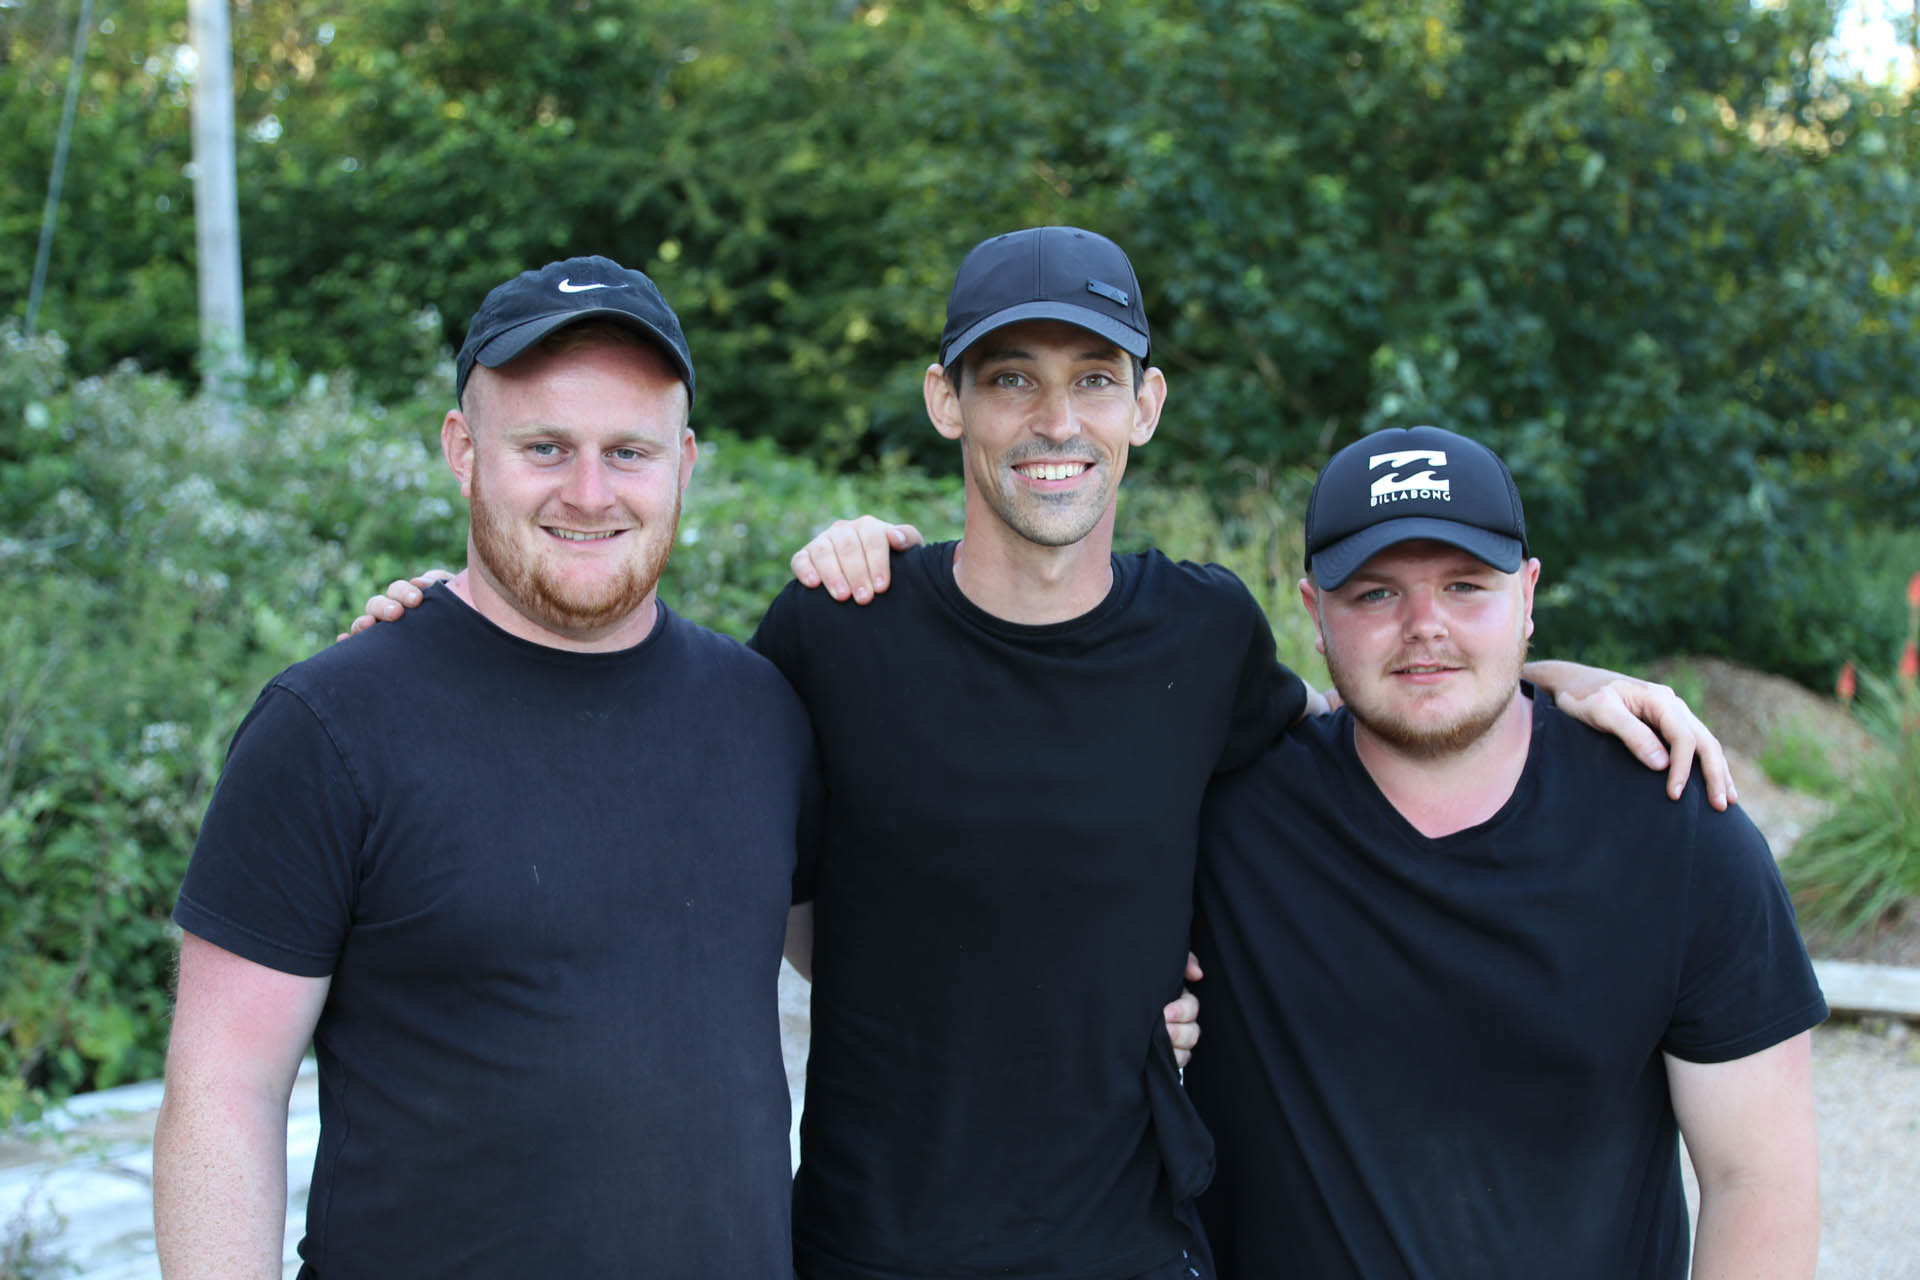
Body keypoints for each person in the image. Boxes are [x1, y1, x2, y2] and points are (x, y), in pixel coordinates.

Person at [352, 228, 1732, 1280]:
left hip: (1125, 1246)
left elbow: (1379, 723)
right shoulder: (843, 629)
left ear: (1146, 406)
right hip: (866, 1245)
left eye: (1092, 379)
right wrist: (457, 629)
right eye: (1010, 379)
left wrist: (1553, 681)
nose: (1053, 419)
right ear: (949, 402)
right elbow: (670, 751)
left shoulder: (1203, 637)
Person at [151, 256, 819, 1279]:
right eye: (545, 446)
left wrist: (1146, 996)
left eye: (628, 450)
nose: (589, 492)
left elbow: (876, 965)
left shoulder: (762, 710)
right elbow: (223, 1088)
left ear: (685, 460)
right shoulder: (332, 725)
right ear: (464, 450)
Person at [1184, 425, 1826, 1279]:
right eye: (1375, 594)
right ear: (1314, 614)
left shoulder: (1676, 829)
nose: (1425, 627)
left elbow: (1759, 1180)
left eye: (1464, 586)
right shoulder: (1224, 818)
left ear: (1527, 596)